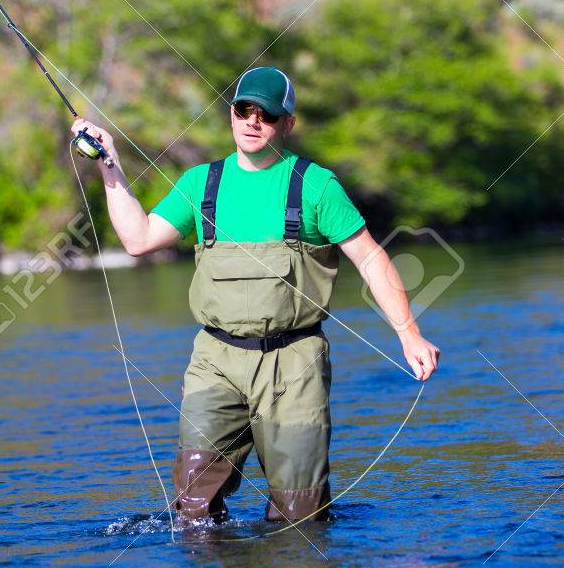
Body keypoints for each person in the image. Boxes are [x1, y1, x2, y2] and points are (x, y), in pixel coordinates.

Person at [72, 66, 440, 525]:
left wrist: (409, 334)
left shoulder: (315, 186)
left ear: (287, 123)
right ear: (231, 114)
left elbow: (370, 259)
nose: (252, 121)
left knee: (300, 517)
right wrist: (110, 165)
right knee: (193, 511)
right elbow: (138, 238)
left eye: (266, 114)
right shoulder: (200, 184)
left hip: (295, 363)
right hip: (215, 360)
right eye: (243, 109)